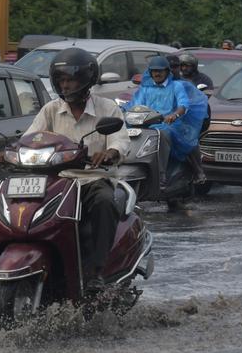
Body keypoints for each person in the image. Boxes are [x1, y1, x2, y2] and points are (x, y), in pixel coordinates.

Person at [25, 47, 129, 291]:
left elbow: (121, 141)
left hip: (92, 179)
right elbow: (31, 137)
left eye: (70, 79)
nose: (65, 85)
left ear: (85, 80)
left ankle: (96, 270)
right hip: (57, 181)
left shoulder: (107, 109)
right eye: (61, 80)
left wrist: (110, 152)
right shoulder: (50, 110)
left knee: (105, 201)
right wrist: (11, 151)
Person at [127, 55, 205, 185]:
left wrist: (174, 115)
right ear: (150, 72)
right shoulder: (145, 88)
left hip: (170, 124)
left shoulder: (176, 86)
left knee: (163, 135)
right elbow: (136, 106)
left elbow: (183, 104)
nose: (157, 73)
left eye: (160, 70)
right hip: (146, 124)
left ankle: (161, 174)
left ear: (167, 72)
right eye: (154, 70)